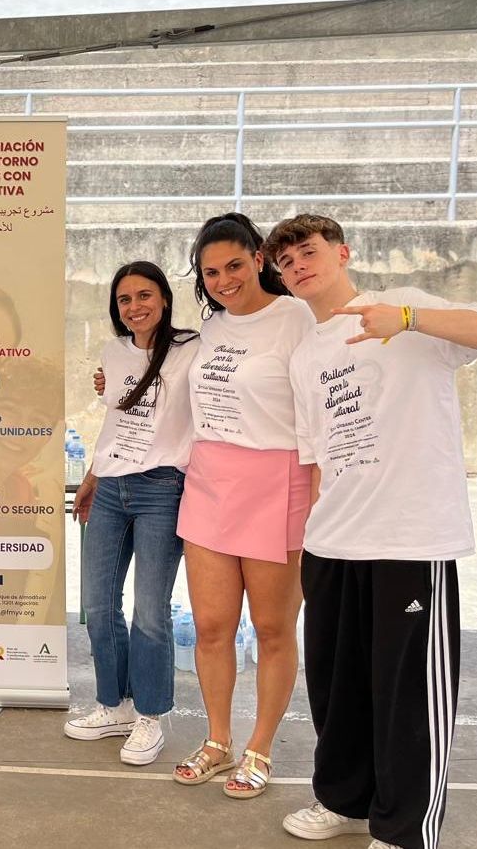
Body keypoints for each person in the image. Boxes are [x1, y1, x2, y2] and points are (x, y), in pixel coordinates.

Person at [267, 214, 477, 849]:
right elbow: (317, 458)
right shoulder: (304, 356)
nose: (298, 264)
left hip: (409, 539)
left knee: (407, 694)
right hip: (333, 544)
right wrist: (309, 545)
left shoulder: (403, 308)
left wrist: (405, 320)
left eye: (309, 251)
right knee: (338, 685)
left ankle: (405, 828)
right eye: (286, 260)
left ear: (342, 252)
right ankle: (343, 799)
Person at [172, 212, 316, 799]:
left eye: (234, 264)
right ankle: (217, 739)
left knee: (273, 627)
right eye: (211, 272)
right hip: (209, 481)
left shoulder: (298, 319)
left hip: (278, 479)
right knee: (210, 626)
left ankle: (259, 748)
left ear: (259, 258)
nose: (224, 280)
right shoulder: (209, 330)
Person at [64, 261, 199, 766]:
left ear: (164, 298)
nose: (135, 307)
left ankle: (150, 716)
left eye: (144, 295)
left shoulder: (193, 349)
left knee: (149, 611)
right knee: (97, 605)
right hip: (112, 486)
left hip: (163, 488)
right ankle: (113, 705)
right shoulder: (114, 352)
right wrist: (93, 476)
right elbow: (117, 421)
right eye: (124, 300)